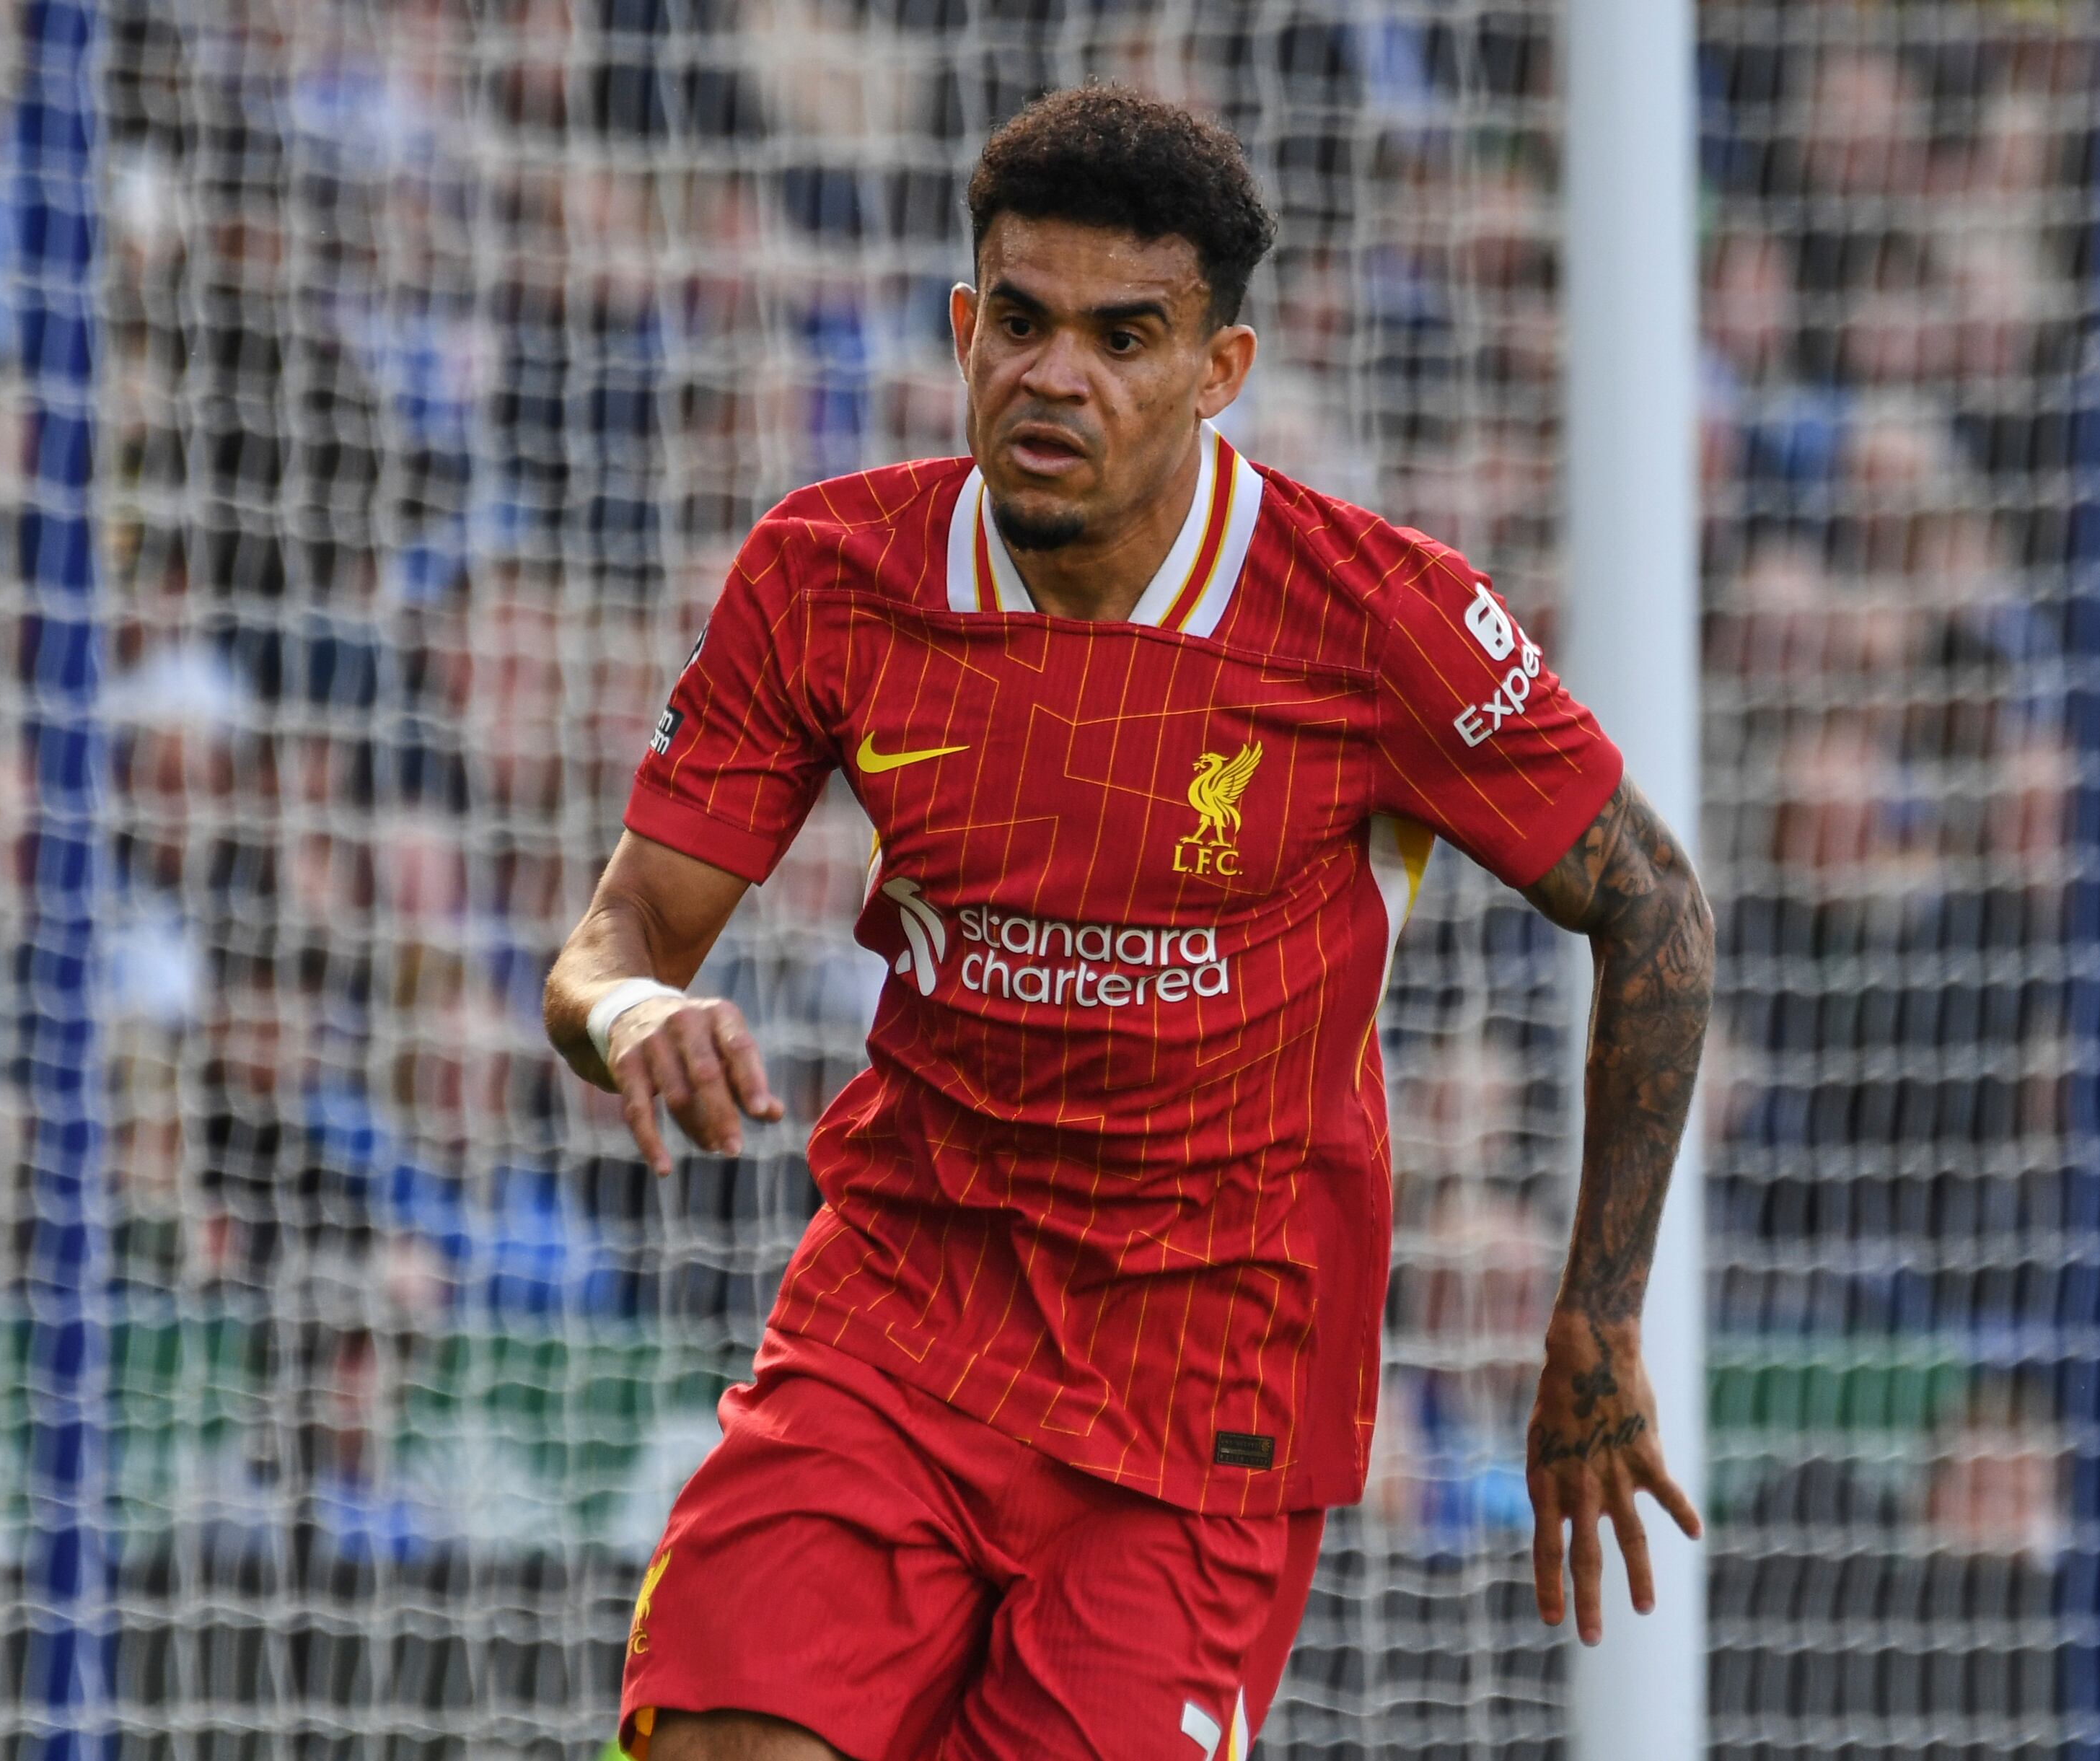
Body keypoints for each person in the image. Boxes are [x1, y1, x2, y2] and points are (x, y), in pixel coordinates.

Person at [543, 85, 1713, 1761]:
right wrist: (637, 1014)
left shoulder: (1373, 617)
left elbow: (1653, 912)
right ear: (964, 324)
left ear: (1216, 371)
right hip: (899, 1326)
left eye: (1121, 335)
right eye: (1017, 322)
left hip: (1207, 1403)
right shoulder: (828, 576)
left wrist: (1597, 1314)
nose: (1053, 376)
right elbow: (612, 946)